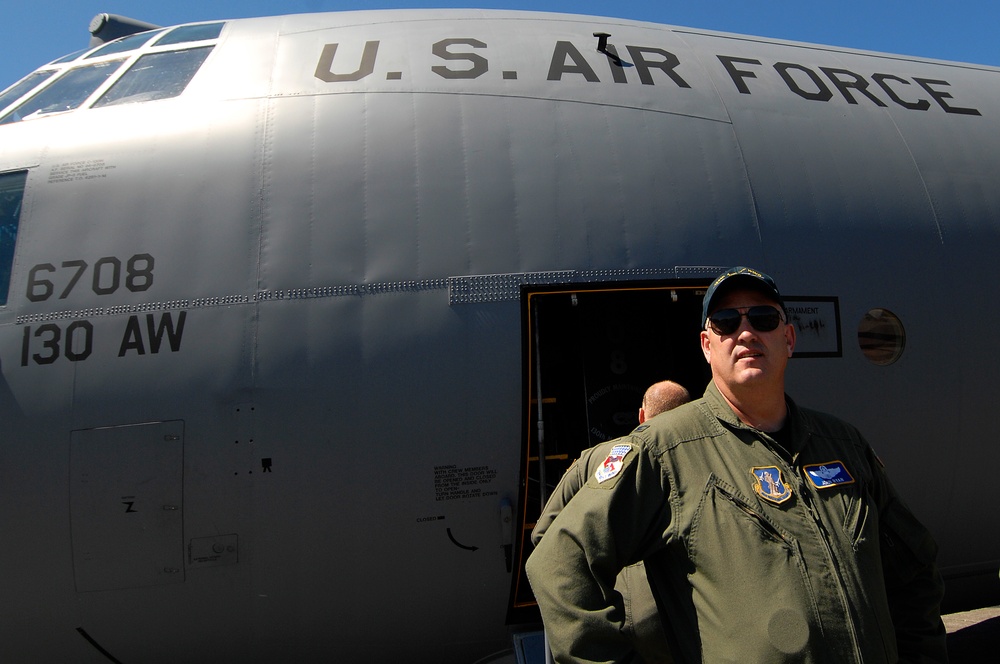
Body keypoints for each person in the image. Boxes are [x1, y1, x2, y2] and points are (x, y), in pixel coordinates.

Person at [525, 267, 947, 663]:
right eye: (726, 321)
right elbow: (559, 561)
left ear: (789, 338)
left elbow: (914, 568)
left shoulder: (843, 444)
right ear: (707, 346)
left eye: (763, 318)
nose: (746, 332)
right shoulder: (665, 450)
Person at [531, 380, 691, 664]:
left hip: (620, 624)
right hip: (681, 628)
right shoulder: (697, 464)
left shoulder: (594, 460)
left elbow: (545, 536)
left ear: (641, 416)